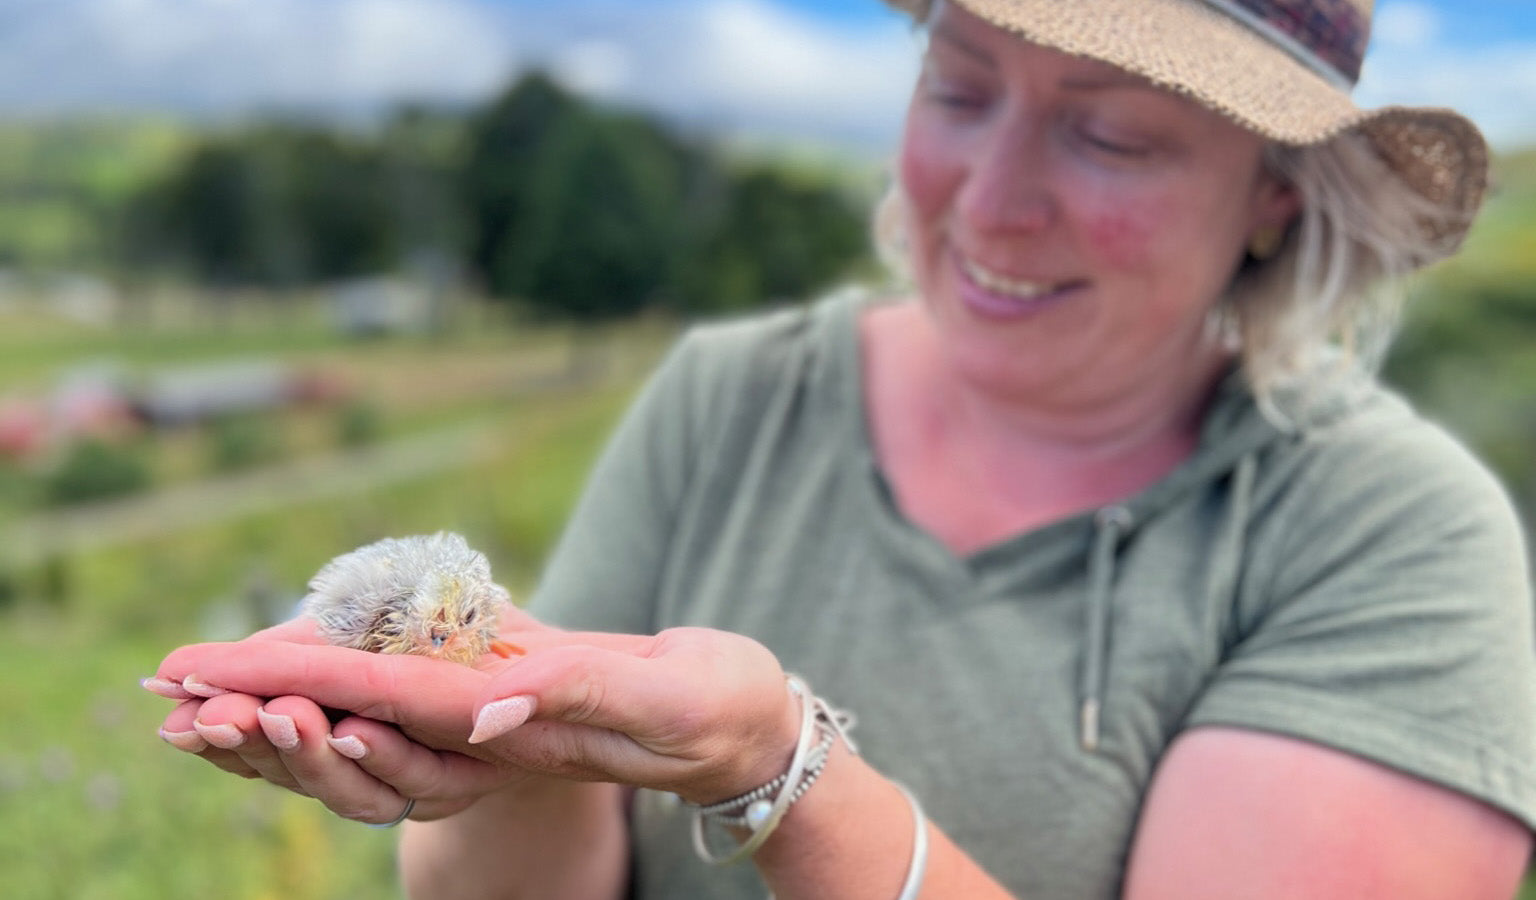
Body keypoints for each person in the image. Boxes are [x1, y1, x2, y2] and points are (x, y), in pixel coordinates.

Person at [146, 0, 1536, 896]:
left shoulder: (1390, 538)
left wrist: (782, 771)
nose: (991, 202)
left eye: (1112, 136)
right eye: (960, 91)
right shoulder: (731, 399)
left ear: (1279, 196)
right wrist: (515, 759)